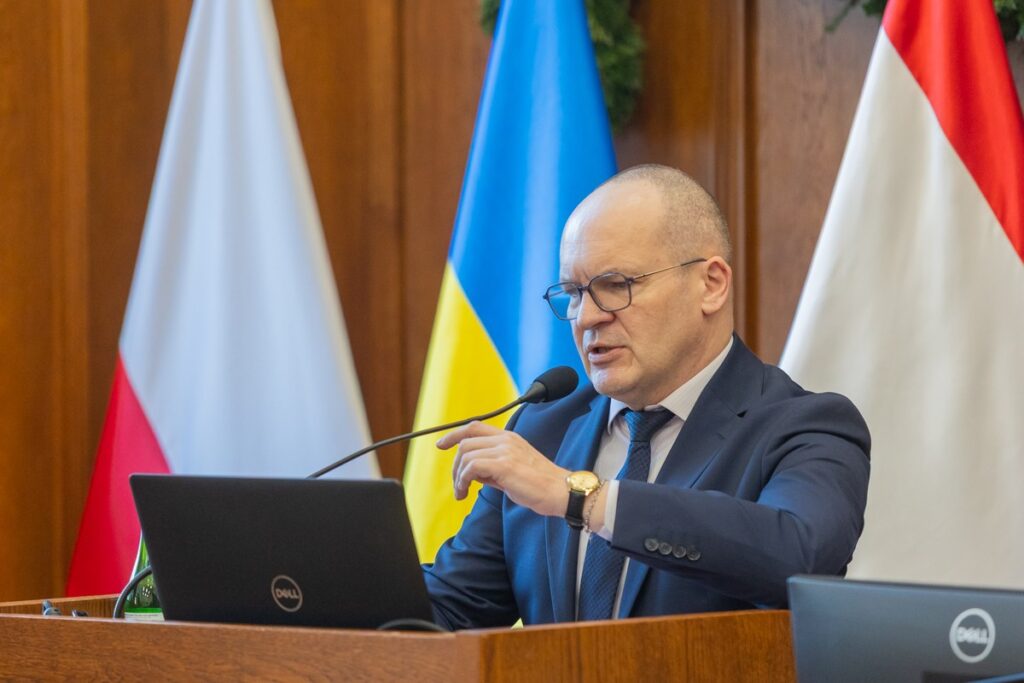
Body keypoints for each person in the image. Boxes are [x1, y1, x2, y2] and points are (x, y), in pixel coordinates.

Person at [423, 164, 870, 630]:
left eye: (616, 286)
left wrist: (583, 500)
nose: (587, 317)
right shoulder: (543, 430)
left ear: (711, 284)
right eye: (574, 293)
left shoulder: (807, 427)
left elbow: (799, 557)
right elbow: (454, 607)